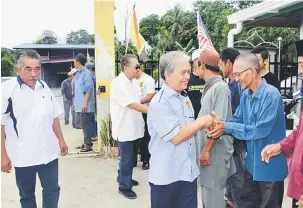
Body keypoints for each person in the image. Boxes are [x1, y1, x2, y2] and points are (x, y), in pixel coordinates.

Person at [208, 52, 288, 208]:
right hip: (251, 167)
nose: (236, 79)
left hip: (269, 168)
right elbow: (237, 119)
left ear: (251, 72)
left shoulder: (271, 94)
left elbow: (260, 130)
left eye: (238, 74)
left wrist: (227, 126)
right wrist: (220, 124)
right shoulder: (246, 95)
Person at [147, 51, 217, 208]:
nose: (188, 76)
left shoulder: (184, 98)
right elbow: (177, 136)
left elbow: (189, 131)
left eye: (188, 71)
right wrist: (202, 121)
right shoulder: (160, 103)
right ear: (167, 73)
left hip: (188, 174)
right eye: (183, 72)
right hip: (167, 178)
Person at [1, 49, 68, 208]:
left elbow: (53, 116)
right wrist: (3, 155)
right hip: (23, 155)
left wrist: (61, 140)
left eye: (37, 69)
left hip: (48, 153)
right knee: (27, 195)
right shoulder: (6, 91)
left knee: (52, 190)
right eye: (28, 69)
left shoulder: (43, 86)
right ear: (17, 69)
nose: (33, 74)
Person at [261, 39, 303, 208]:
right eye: (299, 64)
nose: (300, 71)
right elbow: (299, 132)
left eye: (302, 64)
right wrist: (280, 146)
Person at [195, 48, 235, 208]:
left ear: (202, 66)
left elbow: (218, 125)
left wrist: (206, 149)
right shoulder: (211, 86)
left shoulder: (220, 89)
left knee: (214, 202)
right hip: (208, 155)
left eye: (195, 65)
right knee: (207, 200)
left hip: (214, 154)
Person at [110, 54, 148, 199]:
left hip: (135, 127)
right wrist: (152, 111)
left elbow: (137, 101)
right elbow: (132, 104)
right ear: (126, 68)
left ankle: (123, 177)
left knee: (132, 158)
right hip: (125, 129)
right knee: (127, 159)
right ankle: (124, 186)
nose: (138, 69)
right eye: (136, 67)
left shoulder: (132, 82)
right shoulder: (118, 84)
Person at [219, 47, 245, 208]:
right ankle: (230, 199)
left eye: (221, 64)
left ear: (229, 63)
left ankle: (236, 202)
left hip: (235, 139)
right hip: (229, 136)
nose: (220, 67)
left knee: (237, 174)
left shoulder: (238, 86)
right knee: (231, 174)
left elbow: (238, 114)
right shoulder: (230, 83)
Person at [133, 68, 155, 170]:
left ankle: (146, 160)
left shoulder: (148, 80)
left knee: (146, 136)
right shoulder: (132, 80)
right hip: (134, 111)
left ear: (137, 70)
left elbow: (150, 96)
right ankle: (134, 159)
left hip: (146, 111)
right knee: (135, 135)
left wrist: (137, 102)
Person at [74, 53, 95, 152]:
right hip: (79, 104)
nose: (74, 62)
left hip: (85, 105)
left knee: (85, 123)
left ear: (78, 62)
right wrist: (75, 103)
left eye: (74, 61)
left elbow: (88, 89)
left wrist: (85, 102)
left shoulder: (86, 73)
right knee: (83, 124)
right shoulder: (79, 73)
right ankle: (86, 142)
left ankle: (88, 144)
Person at [187, 49, 206, 119]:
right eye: (199, 59)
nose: (202, 62)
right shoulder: (188, 79)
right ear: (194, 61)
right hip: (191, 117)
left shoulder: (207, 78)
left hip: (205, 116)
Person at [85, 62, 97, 142]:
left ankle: (93, 135)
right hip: (94, 100)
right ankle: (94, 134)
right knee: (92, 118)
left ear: (89, 69)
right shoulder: (95, 76)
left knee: (89, 119)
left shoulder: (91, 77)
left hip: (91, 100)